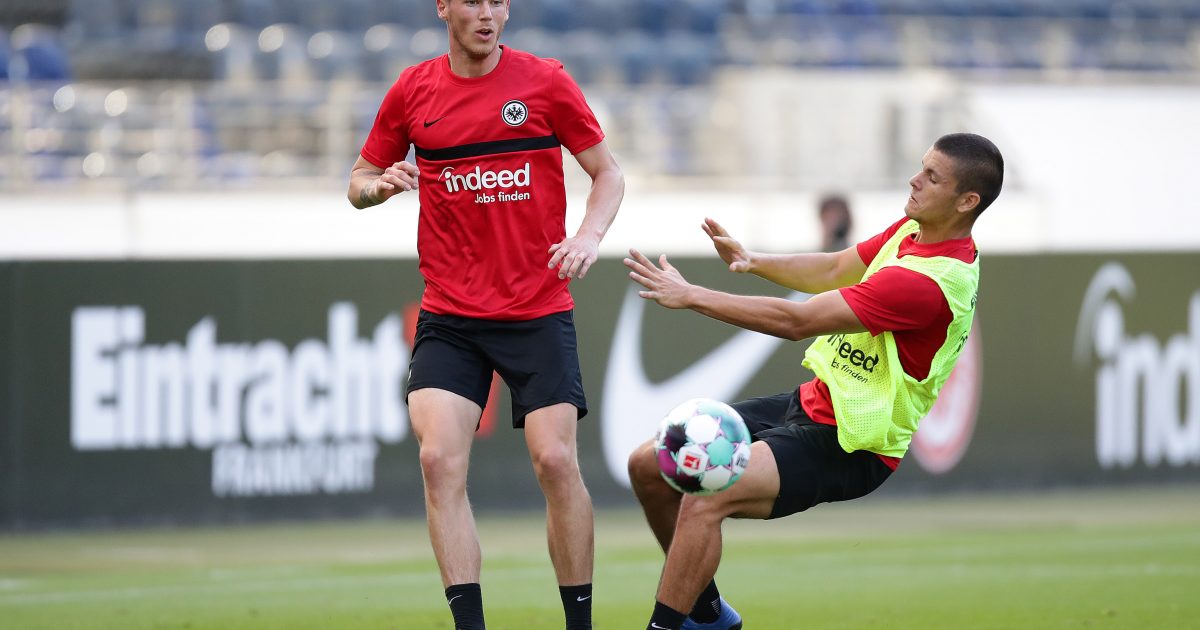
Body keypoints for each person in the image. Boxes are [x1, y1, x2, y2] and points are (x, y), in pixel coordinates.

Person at [623, 133, 1003, 630]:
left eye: (932, 177)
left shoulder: (927, 282)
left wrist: (692, 295)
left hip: (853, 442)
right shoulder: (911, 234)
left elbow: (795, 322)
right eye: (921, 167)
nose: (914, 180)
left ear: (966, 201)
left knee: (706, 493)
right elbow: (833, 267)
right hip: (812, 403)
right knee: (649, 464)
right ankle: (708, 615)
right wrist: (753, 260)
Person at [346, 1, 624, 629]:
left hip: (536, 309)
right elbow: (358, 179)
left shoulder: (546, 82)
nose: (489, 13)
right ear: (444, 6)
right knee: (438, 459)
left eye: (499, 0)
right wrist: (377, 188)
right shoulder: (412, 91)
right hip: (451, 314)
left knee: (555, 461)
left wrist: (588, 236)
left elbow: (608, 175)